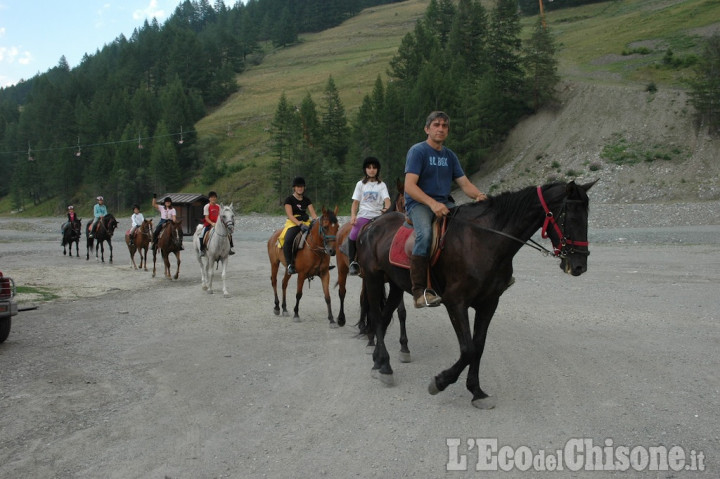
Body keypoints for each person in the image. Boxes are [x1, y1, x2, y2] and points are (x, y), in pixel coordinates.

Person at [404, 111, 487, 308]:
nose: (440, 128)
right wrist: (432, 203)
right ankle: (419, 291)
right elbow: (409, 186)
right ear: (427, 129)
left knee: (469, 227)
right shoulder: (418, 151)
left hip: (445, 203)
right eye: (436, 125)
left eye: (444, 126)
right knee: (424, 235)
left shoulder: (450, 156)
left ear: (447, 131)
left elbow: (464, 183)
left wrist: (478, 196)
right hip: (419, 204)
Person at [348, 157, 390, 276]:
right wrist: (353, 216)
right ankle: (352, 262)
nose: (371, 170)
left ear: (377, 170)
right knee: (353, 234)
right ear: (365, 169)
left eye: (374, 168)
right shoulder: (360, 184)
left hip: (378, 216)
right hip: (364, 215)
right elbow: (355, 203)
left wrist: (386, 209)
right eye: (369, 167)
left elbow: (387, 201)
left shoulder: (381, 185)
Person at [282, 177, 318, 275]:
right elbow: (289, 215)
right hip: (293, 222)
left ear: (304, 188)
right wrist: (299, 224)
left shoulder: (307, 200)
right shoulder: (289, 199)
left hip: (306, 221)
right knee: (288, 240)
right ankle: (289, 264)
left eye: (301, 186)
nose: (300, 188)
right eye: (298, 186)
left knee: (319, 235)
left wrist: (316, 221)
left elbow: (313, 213)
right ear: (294, 188)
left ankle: (322, 262)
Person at [199, 191, 235, 256]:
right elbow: (206, 218)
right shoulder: (207, 206)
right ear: (209, 198)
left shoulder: (218, 206)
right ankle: (202, 250)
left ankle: (230, 248)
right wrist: (212, 223)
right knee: (202, 235)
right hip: (209, 224)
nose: (213, 199)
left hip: (218, 225)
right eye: (212, 197)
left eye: (214, 197)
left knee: (229, 234)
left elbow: (222, 216)